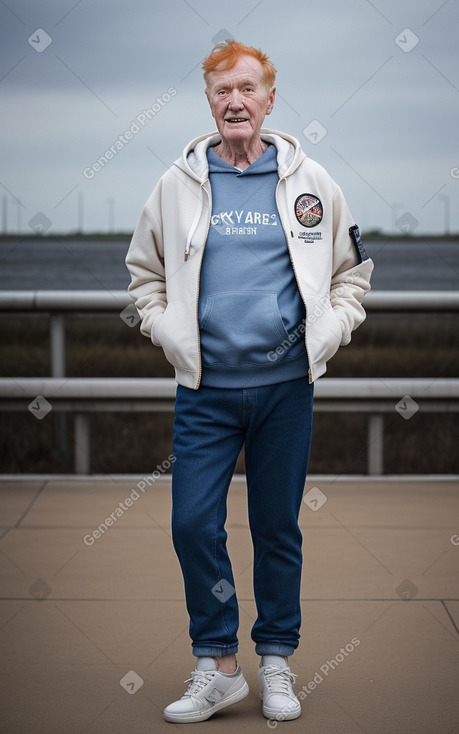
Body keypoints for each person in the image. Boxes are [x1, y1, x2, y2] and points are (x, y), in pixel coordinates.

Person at [125, 40, 373, 724]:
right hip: (203, 392)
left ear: (269, 97)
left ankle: (274, 662)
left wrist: (327, 332)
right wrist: (166, 330)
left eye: (246, 89)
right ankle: (218, 664)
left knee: (275, 527)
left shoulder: (310, 181)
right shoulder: (176, 185)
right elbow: (143, 275)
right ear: (208, 101)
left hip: (285, 391)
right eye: (220, 91)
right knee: (192, 524)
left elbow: (352, 271)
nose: (234, 101)